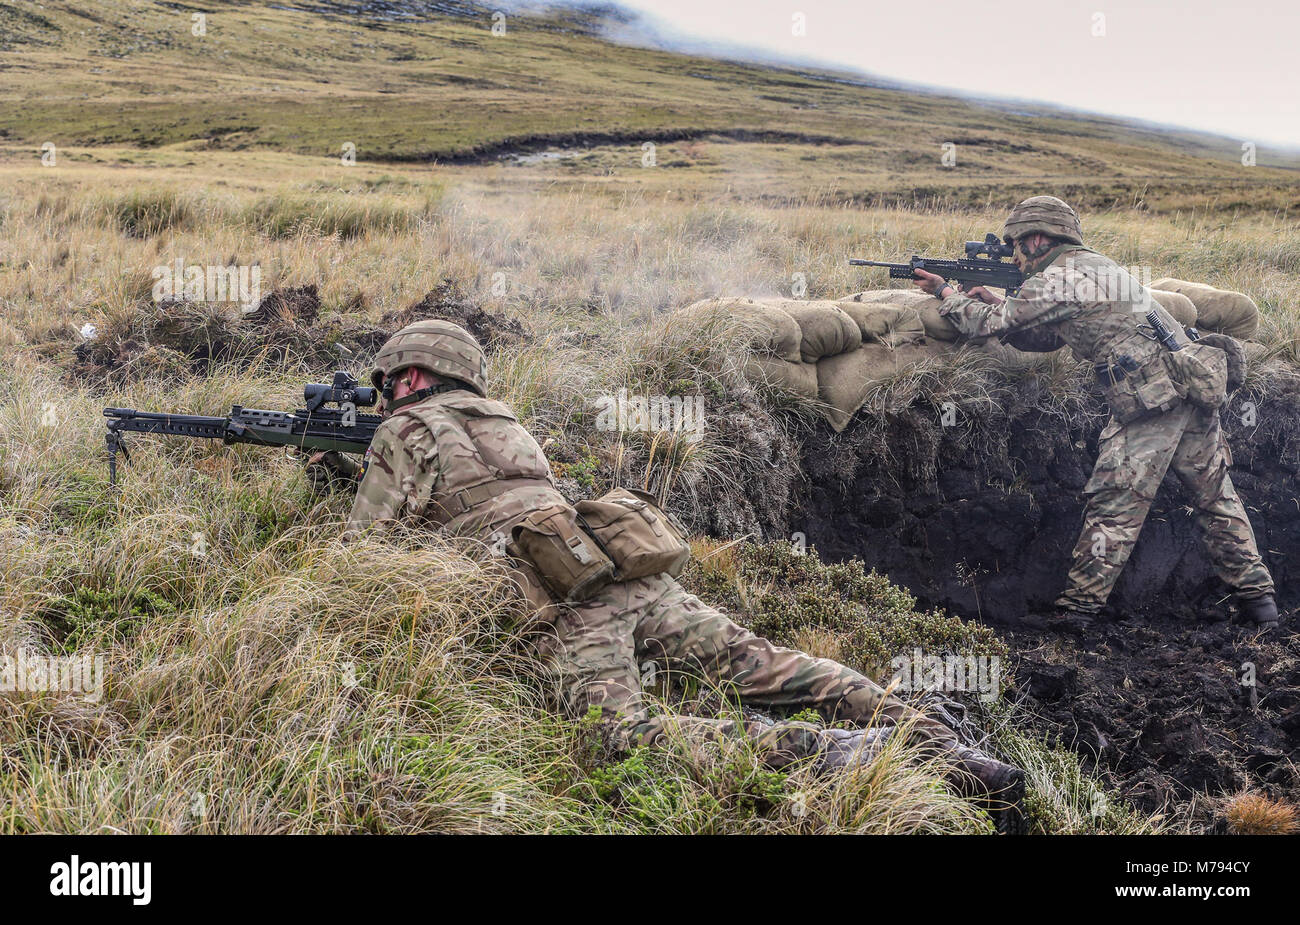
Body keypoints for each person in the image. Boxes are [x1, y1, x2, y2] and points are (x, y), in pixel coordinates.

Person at [307, 318, 1027, 831]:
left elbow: (365, 553)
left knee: (621, 738)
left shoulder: (400, 430)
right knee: (771, 665)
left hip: (565, 608)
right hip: (635, 574)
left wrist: (338, 475)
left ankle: (847, 753)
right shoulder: (508, 423)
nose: (383, 396)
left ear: (407, 374)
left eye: (387, 383)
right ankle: (935, 737)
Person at [911, 196, 1279, 631]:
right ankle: (1260, 605)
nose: (1012, 255)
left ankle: (1076, 611)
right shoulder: (1094, 265)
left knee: (1117, 499)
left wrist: (946, 294)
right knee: (1215, 496)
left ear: (1036, 239)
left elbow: (987, 324)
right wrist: (1000, 303)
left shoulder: (1061, 275)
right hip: (1191, 381)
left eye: (1014, 244)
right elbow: (1052, 336)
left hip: (1153, 396)